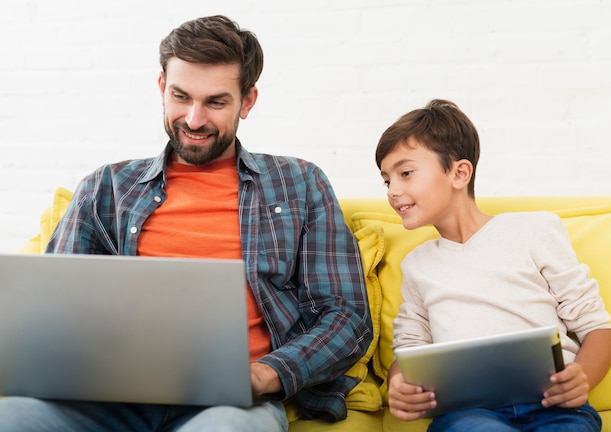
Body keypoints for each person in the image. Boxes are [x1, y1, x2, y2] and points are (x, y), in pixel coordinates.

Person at [0, 15, 372, 432]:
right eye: (181, 96)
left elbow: (346, 316)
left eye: (215, 102)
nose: (194, 120)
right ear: (162, 88)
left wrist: (263, 376)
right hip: (105, 402)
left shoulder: (299, 184)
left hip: (231, 407)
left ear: (247, 101)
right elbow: (52, 312)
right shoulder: (105, 187)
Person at [376, 99, 611, 432]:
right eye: (387, 180)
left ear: (459, 173)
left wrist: (583, 379)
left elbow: (598, 330)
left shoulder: (534, 231)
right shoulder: (418, 265)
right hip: (468, 413)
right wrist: (400, 383)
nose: (393, 191)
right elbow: (410, 349)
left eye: (405, 173)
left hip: (556, 408)